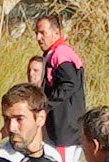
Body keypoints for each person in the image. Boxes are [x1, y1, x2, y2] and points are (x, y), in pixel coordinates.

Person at [33, 12, 87, 147]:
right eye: (36, 33)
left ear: (56, 33)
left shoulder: (61, 53)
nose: (38, 38)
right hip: (61, 128)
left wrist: (46, 104)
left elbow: (69, 83)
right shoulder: (53, 53)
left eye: (42, 33)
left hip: (66, 130)